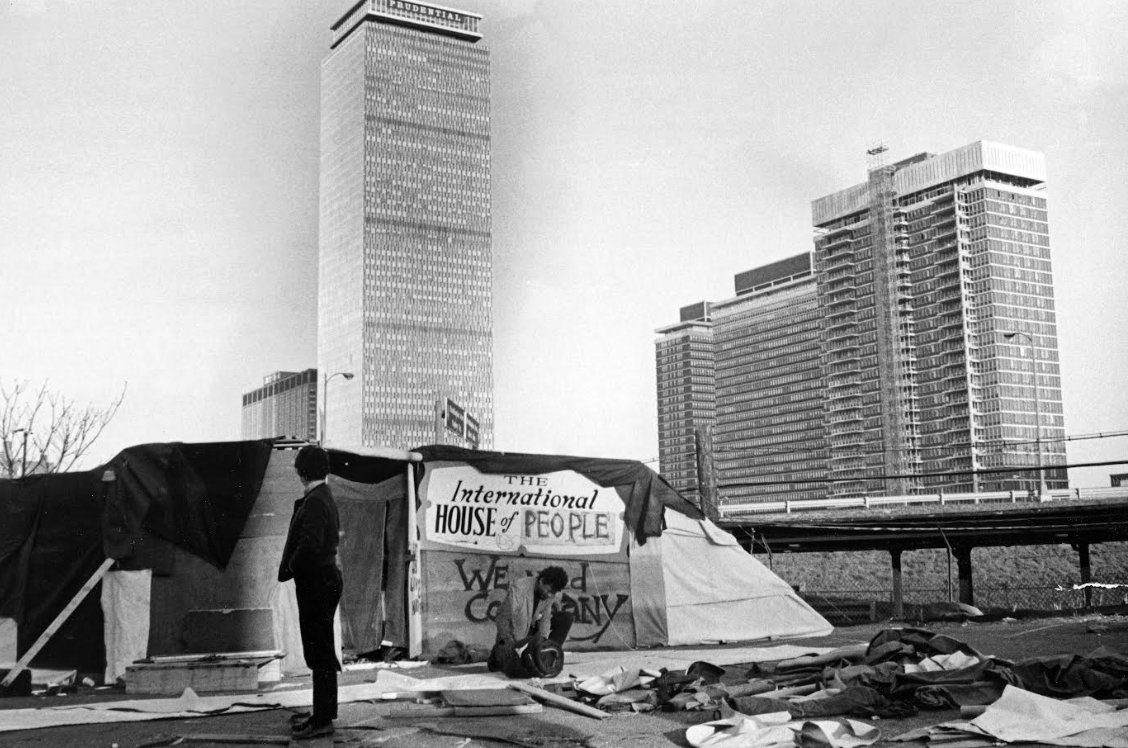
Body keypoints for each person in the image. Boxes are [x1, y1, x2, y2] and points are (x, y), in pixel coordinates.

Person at [278, 445, 343, 740]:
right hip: (324, 579)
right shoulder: (322, 496)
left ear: (302, 472)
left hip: (317, 580)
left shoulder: (316, 501)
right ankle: (322, 714)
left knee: (319, 652)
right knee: (321, 651)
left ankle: (322, 720)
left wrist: (291, 565)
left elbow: (310, 545)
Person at [489, 566, 573, 674]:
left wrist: (543, 645)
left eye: (553, 593)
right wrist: (510, 645)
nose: (549, 595)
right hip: (515, 638)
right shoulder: (520, 588)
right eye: (548, 591)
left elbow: (545, 620)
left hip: (531, 635)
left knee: (565, 618)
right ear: (541, 581)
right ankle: (498, 657)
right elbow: (502, 617)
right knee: (509, 667)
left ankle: (545, 659)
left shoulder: (549, 594)